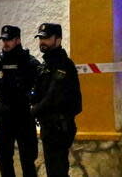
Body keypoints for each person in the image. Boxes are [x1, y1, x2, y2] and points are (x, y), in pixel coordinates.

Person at [30, 23, 81, 177]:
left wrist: (33, 111)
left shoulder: (63, 65)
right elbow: (38, 91)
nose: (42, 42)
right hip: (49, 125)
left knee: (58, 170)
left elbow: (53, 95)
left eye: (46, 38)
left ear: (58, 40)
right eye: (40, 38)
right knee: (53, 169)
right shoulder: (46, 64)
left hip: (59, 126)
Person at [0, 25, 41, 177]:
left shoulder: (30, 63)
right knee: (4, 159)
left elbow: (38, 88)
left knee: (28, 160)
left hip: (24, 116)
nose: (5, 43)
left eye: (9, 40)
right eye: (3, 40)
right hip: (4, 117)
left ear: (18, 40)